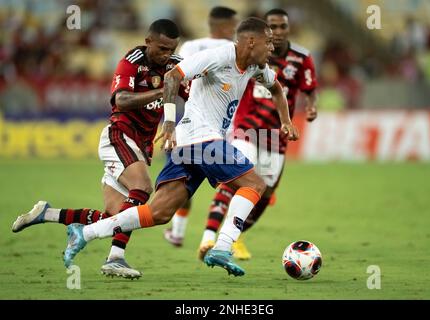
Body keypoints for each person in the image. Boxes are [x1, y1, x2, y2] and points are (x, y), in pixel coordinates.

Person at [61, 17, 299, 277]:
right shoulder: (218, 57)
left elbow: (276, 88)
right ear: (251, 41)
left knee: (159, 212)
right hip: (199, 136)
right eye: (268, 42)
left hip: (190, 144)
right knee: (254, 184)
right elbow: (174, 76)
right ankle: (222, 246)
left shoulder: (255, 66)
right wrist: (170, 122)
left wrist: (285, 121)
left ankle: (85, 232)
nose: (272, 48)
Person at [11, 19, 188, 279]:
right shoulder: (132, 61)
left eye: (170, 49)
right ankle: (115, 258)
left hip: (140, 146)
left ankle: (46, 213)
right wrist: (163, 91)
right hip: (119, 135)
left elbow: (195, 91)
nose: (165, 55)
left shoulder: (175, 66)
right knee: (143, 188)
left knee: (115, 216)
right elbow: (122, 100)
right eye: (161, 48)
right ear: (148, 41)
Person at [168, 8, 318, 260]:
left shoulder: (299, 58)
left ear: (288, 29)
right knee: (236, 179)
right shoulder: (240, 54)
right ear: (257, 37)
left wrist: (292, 118)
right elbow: (182, 73)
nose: (276, 35)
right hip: (246, 129)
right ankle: (209, 238)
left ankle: (233, 237)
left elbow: (296, 89)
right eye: (271, 31)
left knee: (265, 192)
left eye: (281, 28)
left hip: (274, 137)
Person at [163, 6, 238, 247]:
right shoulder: (235, 52)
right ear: (226, 26)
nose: (236, 29)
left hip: (186, 122)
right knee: (236, 181)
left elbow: (175, 84)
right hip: (220, 125)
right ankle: (224, 238)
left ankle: (179, 230)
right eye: (234, 25)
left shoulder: (191, 47)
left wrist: (169, 120)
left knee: (182, 177)